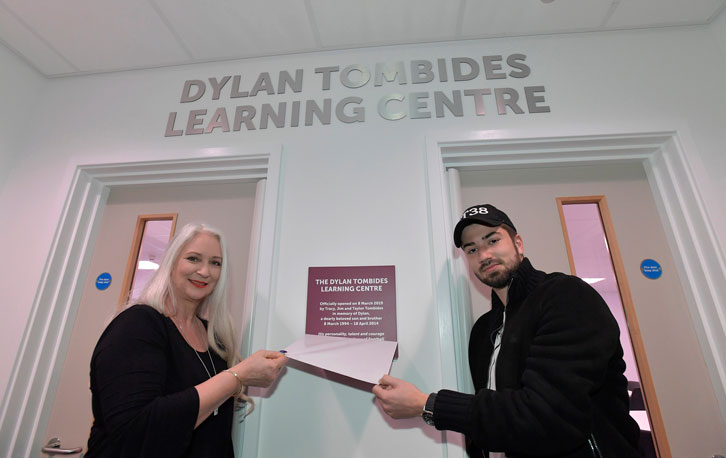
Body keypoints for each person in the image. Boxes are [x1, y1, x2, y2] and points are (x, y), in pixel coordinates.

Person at [373, 204, 642, 458]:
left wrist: (427, 404)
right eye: (472, 250)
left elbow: (546, 416)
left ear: (518, 243)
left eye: (492, 240)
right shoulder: (482, 331)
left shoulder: (566, 297)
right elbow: (495, 420)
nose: (484, 255)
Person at [85, 223, 287, 457]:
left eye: (215, 263)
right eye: (193, 259)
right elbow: (136, 430)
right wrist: (237, 377)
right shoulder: (138, 324)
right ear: (171, 263)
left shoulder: (215, 339)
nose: (205, 271)